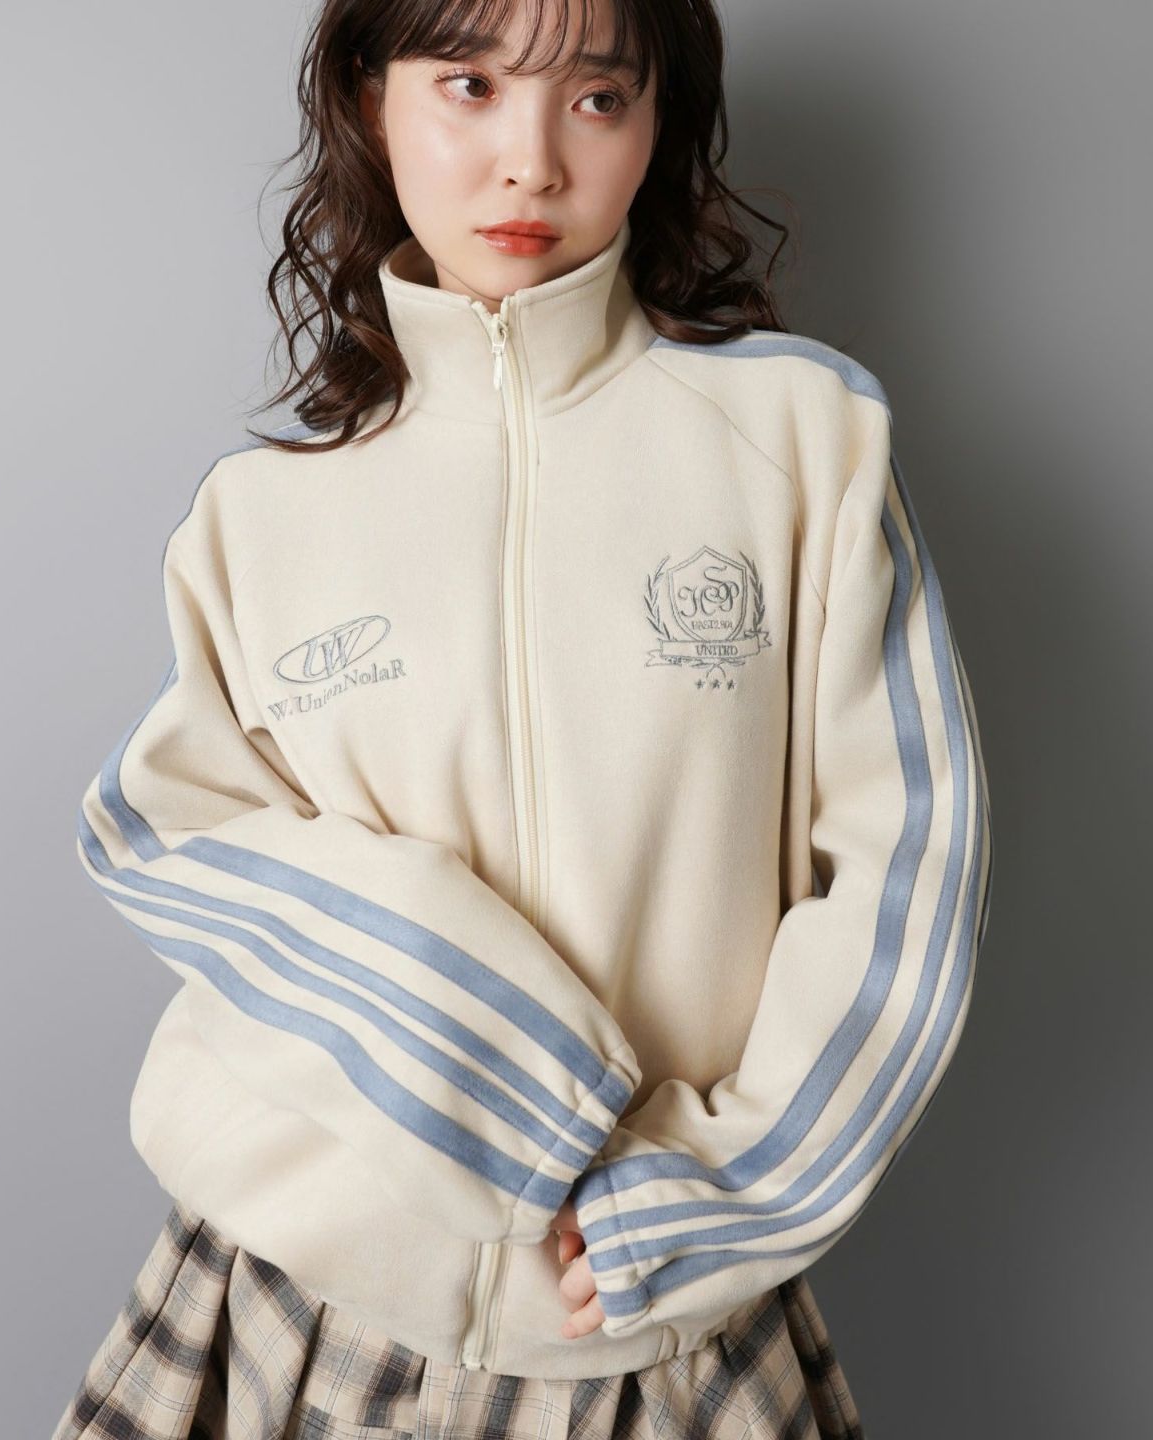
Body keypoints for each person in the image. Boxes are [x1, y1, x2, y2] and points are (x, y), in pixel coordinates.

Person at [53, 0, 994, 1436]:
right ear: (372, 100)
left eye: (596, 98)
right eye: (469, 86)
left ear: (658, 122)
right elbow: (159, 825)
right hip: (293, 1305)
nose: (531, 160)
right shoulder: (260, 518)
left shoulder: (808, 443)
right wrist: (499, 1065)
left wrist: (730, 1189)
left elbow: (911, 858)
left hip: (649, 1302)